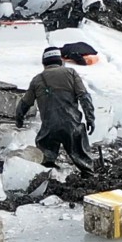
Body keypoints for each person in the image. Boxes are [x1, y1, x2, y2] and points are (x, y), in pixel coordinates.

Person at [14, 46, 98, 174]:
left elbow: (25, 103)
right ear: (60, 61)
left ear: (44, 62)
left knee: (45, 161)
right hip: (72, 126)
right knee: (84, 163)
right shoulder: (71, 73)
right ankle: (89, 180)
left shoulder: (37, 80)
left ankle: (49, 180)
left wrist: (19, 119)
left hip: (49, 129)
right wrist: (90, 118)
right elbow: (84, 97)